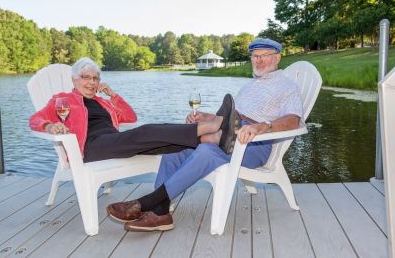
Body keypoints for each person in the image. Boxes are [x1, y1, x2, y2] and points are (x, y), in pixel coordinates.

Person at [107, 38, 304, 232]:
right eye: (255, 56)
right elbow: (232, 117)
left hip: (255, 144)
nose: (258, 60)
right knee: (175, 149)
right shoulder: (250, 86)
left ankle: (147, 203)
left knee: (206, 152)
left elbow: (294, 120)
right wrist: (207, 117)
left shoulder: (287, 86)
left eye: (264, 56)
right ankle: (161, 213)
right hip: (230, 134)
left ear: (277, 58)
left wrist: (262, 126)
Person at [29, 57, 233, 163]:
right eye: (86, 77)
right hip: (89, 148)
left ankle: (214, 138)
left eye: (95, 78)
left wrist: (112, 95)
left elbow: (129, 116)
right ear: (74, 79)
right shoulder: (62, 100)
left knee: (158, 143)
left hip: (113, 142)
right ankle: (214, 124)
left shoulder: (103, 102)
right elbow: (36, 119)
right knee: (148, 131)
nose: (91, 82)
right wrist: (49, 126)